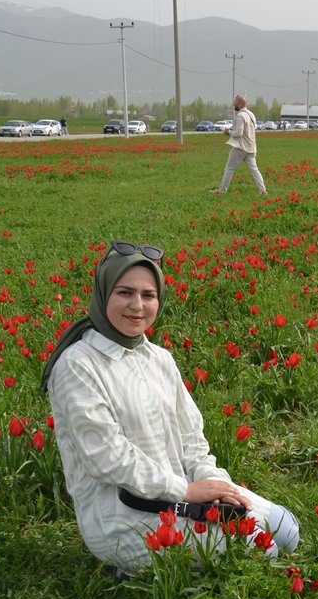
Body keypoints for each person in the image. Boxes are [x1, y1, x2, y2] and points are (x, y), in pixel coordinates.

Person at [41, 241, 300, 576]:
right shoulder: (78, 365)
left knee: (288, 531)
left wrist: (216, 486)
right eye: (125, 292)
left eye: (148, 295)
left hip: (187, 497)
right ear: (104, 292)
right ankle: (129, 566)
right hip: (121, 514)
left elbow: (193, 439)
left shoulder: (159, 359)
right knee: (260, 550)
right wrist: (186, 490)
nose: (137, 306)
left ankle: (174, 555)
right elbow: (107, 458)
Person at [210, 95, 266, 196]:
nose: (234, 103)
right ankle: (262, 191)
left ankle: (222, 191)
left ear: (240, 103)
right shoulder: (251, 115)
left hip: (240, 148)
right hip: (251, 148)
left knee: (229, 168)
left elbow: (238, 133)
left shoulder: (240, 116)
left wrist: (229, 132)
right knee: (255, 170)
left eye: (235, 101)